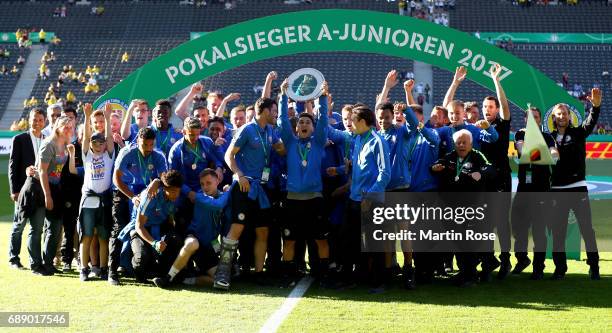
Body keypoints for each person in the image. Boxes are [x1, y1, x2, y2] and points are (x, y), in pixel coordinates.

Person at [214, 97, 285, 290]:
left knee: (263, 230)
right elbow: (229, 154)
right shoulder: (247, 129)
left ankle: (258, 274)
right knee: (236, 228)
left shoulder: (271, 131)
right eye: (274, 111)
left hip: (262, 189)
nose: (276, 114)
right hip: (245, 187)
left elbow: (282, 150)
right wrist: (239, 174)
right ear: (262, 111)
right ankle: (222, 273)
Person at [277, 79, 331, 288]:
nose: (304, 124)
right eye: (301, 122)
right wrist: (283, 96)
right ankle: (287, 275)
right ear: (297, 127)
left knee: (320, 240)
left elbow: (324, 120)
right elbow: (282, 121)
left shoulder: (317, 142)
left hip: (314, 200)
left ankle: (324, 275)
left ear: (313, 127)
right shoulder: (290, 143)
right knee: (289, 240)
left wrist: (323, 98)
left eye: (308, 122)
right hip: (292, 200)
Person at [549, 88, 602, 280]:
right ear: (554, 118)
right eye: (559, 114)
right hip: (556, 191)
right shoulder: (549, 138)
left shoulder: (578, 133)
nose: (562, 116)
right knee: (558, 231)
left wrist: (595, 106)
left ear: (569, 116)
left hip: (578, 188)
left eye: (564, 113)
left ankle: (594, 266)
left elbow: (590, 122)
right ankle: (560, 268)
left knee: (587, 229)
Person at [431, 129, 493, 287]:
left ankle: (471, 276)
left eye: (464, 142)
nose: (461, 145)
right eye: (458, 142)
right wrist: (434, 168)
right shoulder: (450, 156)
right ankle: (464, 273)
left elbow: (490, 168)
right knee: (457, 242)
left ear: (471, 144)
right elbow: (436, 165)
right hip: (451, 209)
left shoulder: (477, 156)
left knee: (469, 243)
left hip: (472, 208)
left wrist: (481, 173)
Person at [338, 104, 390, 289]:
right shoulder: (358, 139)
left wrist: (369, 196)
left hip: (371, 201)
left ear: (361, 121)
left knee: (373, 244)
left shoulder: (378, 141)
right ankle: (352, 278)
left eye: (353, 120)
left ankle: (378, 282)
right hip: (354, 199)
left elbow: (385, 174)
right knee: (349, 241)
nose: (350, 124)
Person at [153, 169, 232, 288]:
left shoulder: (222, 196)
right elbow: (218, 205)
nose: (205, 187)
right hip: (193, 237)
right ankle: (168, 278)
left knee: (221, 280)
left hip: (208, 246)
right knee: (192, 243)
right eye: (202, 184)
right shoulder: (200, 197)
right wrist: (232, 187)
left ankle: (186, 280)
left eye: (208, 183)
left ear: (218, 181)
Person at [109, 127, 168, 285]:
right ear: (138, 141)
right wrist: (132, 196)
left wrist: (157, 181)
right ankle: (112, 271)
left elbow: (165, 178)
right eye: (144, 145)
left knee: (147, 226)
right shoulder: (127, 152)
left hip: (147, 192)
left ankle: (143, 266)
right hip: (125, 191)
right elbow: (116, 179)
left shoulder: (158, 155)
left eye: (150, 145)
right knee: (119, 229)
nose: (148, 149)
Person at [16, 116, 74, 275]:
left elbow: (64, 172)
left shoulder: (67, 144)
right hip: (38, 188)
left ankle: (48, 263)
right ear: (57, 126)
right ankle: (36, 265)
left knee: (54, 228)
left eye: (71, 126)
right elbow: (41, 171)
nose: (69, 129)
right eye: (65, 126)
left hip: (55, 189)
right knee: (37, 228)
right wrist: (47, 195)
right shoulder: (49, 144)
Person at [511, 107, 558, 280]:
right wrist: (543, 154)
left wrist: (547, 154)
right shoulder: (520, 134)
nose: (533, 120)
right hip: (524, 190)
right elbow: (523, 151)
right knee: (518, 227)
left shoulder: (547, 137)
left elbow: (554, 154)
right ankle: (522, 259)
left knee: (539, 231)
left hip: (542, 191)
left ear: (539, 120)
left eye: (536, 117)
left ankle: (538, 267)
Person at [69, 103, 115, 281]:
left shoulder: (108, 155)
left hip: (104, 200)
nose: (98, 145)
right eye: (95, 142)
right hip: (88, 200)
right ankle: (83, 269)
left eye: (101, 142)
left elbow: (110, 137)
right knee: (86, 236)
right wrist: (87, 116)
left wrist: (109, 117)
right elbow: (86, 137)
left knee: (103, 237)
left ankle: (104, 269)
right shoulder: (87, 155)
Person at [120, 170, 184, 283]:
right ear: (165, 188)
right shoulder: (150, 196)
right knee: (141, 259)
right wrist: (154, 243)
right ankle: (136, 272)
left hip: (160, 226)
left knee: (177, 241)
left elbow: (169, 216)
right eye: (173, 191)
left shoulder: (174, 196)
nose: (176, 195)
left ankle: (167, 274)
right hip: (140, 229)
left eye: (178, 191)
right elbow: (139, 226)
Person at [168, 117, 224, 235]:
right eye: (191, 135)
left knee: (205, 228)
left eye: (197, 134)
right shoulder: (176, 151)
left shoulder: (206, 142)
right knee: (185, 229)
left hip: (204, 191)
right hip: (185, 194)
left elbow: (217, 159)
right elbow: (174, 178)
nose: (195, 138)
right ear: (184, 131)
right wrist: (188, 192)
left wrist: (219, 168)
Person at [8, 108, 46, 269]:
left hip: (41, 191)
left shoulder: (48, 139)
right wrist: (14, 190)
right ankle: (14, 259)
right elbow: (12, 167)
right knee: (19, 226)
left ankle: (35, 262)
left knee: (37, 229)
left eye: (40, 119)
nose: (37, 122)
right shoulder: (19, 139)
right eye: (34, 119)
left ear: (45, 122)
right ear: (29, 120)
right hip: (23, 191)